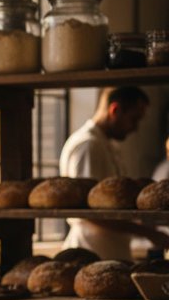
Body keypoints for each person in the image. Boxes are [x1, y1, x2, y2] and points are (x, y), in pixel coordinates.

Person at [60, 86, 169, 259]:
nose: (135, 128)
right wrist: (148, 232)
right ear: (115, 110)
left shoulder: (105, 145)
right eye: (134, 119)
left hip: (109, 251)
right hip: (91, 252)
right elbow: (88, 211)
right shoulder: (89, 146)